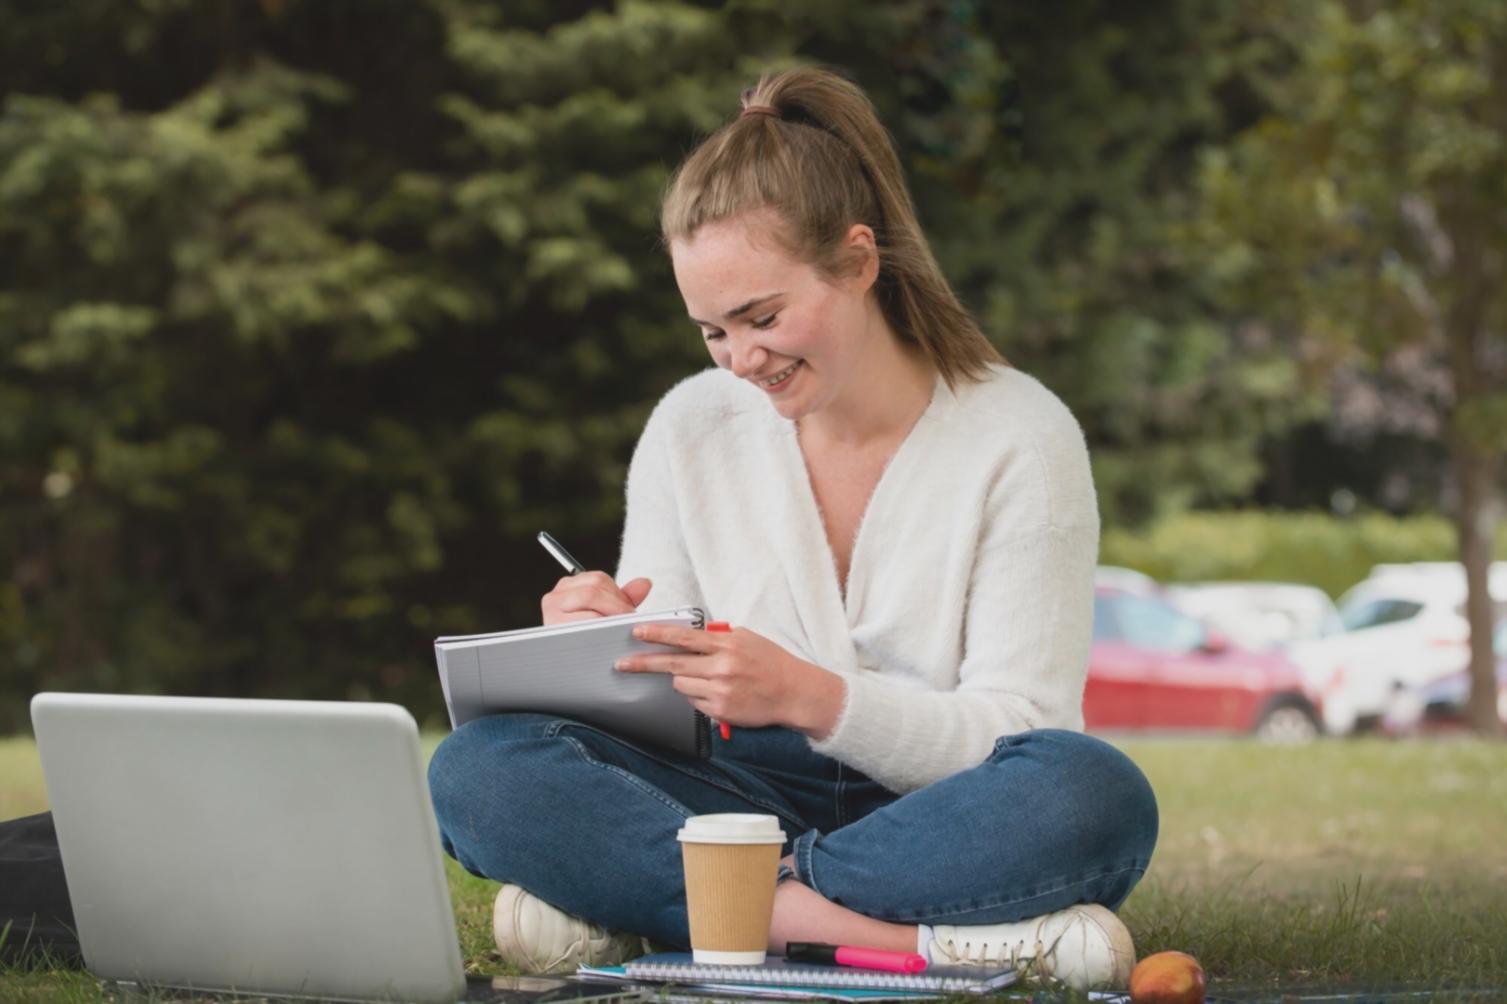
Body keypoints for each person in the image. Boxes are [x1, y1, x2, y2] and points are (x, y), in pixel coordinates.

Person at [427, 66, 1158, 992]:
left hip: (942, 807)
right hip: (737, 802)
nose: (741, 360)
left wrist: (813, 696)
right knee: (480, 769)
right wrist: (598, 648)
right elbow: (666, 711)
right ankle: (873, 937)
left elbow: (1022, 728)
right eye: (711, 333)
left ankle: (666, 914)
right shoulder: (689, 427)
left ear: (858, 261)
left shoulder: (1021, 437)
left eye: (761, 317)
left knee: (1090, 793)